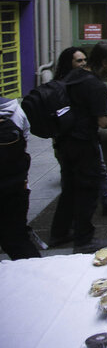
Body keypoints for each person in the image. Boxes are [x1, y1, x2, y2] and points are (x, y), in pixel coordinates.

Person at [50, 42, 107, 252]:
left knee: (69, 190)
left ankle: (59, 232)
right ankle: (84, 239)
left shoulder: (73, 76)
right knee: (87, 192)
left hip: (66, 142)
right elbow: (102, 122)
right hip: (84, 143)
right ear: (104, 62)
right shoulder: (96, 86)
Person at [0, 98, 40, 259]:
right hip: (16, 185)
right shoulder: (16, 111)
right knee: (17, 239)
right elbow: (24, 144)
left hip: (13, 184)